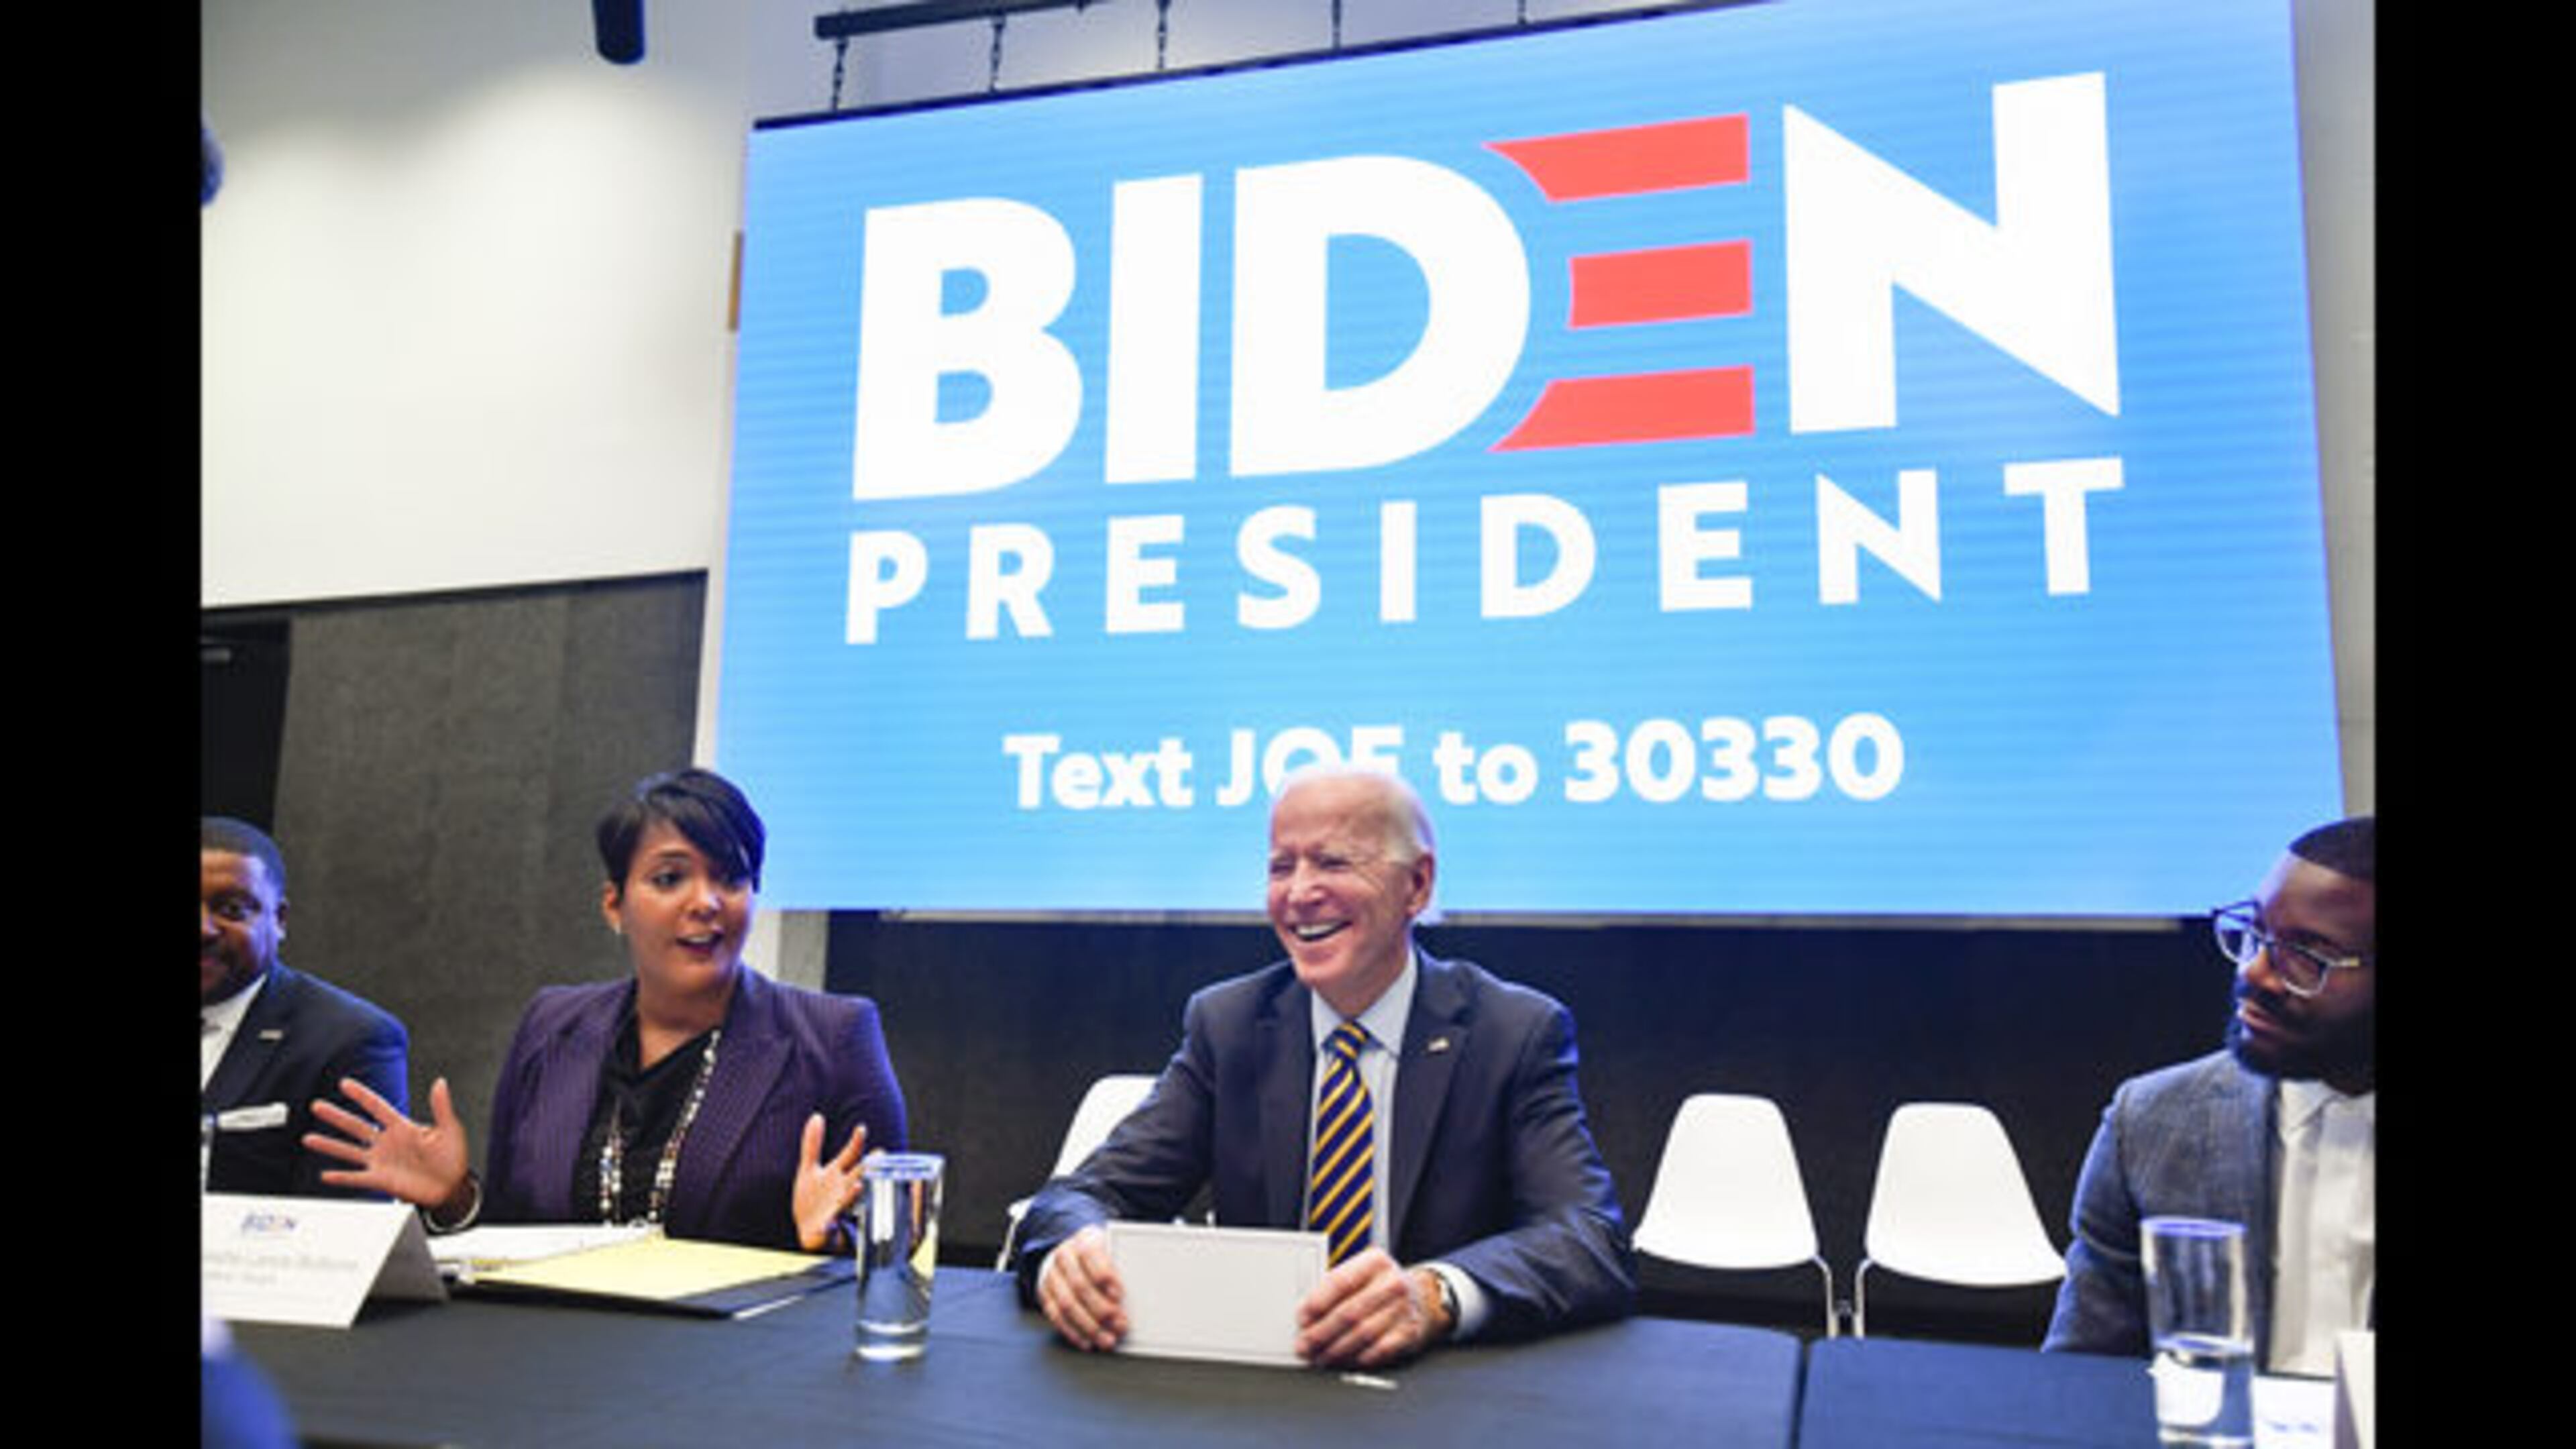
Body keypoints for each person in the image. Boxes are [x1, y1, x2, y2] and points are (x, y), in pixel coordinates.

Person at [1015, 765, 1635, 1367]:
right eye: (1281, 866)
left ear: (1417, 886)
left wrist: (1437, 1295)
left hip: (1442, 1395)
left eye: (1334, 862)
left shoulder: (1512, 1032)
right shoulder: (1229, 1025)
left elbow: (1587, 1238)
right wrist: (1074, 1250)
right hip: (1267, 1389)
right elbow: (1084, 1196)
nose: (1300, 892)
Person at [305, 767, 908, 1253]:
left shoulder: (834, 1037)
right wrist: (455, 1200)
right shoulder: (552, 1025)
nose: (706, 903)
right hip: (561, 1365)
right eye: (670, 878)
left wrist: (826, 1242)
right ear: (615, 905)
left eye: (732, 877)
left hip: (740, 1377)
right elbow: (514, 1240)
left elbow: (894, 1251)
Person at [2043, 816, 2373, 1374]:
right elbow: (2081, 1381)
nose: (2256, 973)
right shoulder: (2153, 1123)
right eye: (2255, 933)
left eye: (2307, 956)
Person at [202, 816, 411, 1198]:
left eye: (231, 910)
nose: (203, 929)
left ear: (279, 920)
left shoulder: (350, 1040)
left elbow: (343, 1226)